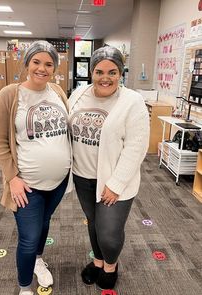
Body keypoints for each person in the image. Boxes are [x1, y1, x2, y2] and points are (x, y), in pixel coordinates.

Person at [0, 40, 72, 295]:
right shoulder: (9, 94)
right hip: (26, 185)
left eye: (49, 64)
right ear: (27, 63)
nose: (42, 68)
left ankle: (38, 259)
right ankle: (25, 289)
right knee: (27, 239)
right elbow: (0, 141)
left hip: (58, 182)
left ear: (55, 68)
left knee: (45, 222)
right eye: (36, 61)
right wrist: (12, 178)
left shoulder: (57, 91)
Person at [69, 46, 150, 290]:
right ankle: (97, 262)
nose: (106, 77)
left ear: (121, 73)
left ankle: (111, 266)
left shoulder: (132, 101)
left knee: (109, 233)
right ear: (91, 72)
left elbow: (136, 147)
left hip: (114, 181)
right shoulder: (79, 94)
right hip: (82, 176)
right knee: (93, 223)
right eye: (99, 71)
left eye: (112, 72)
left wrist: (115, 185)